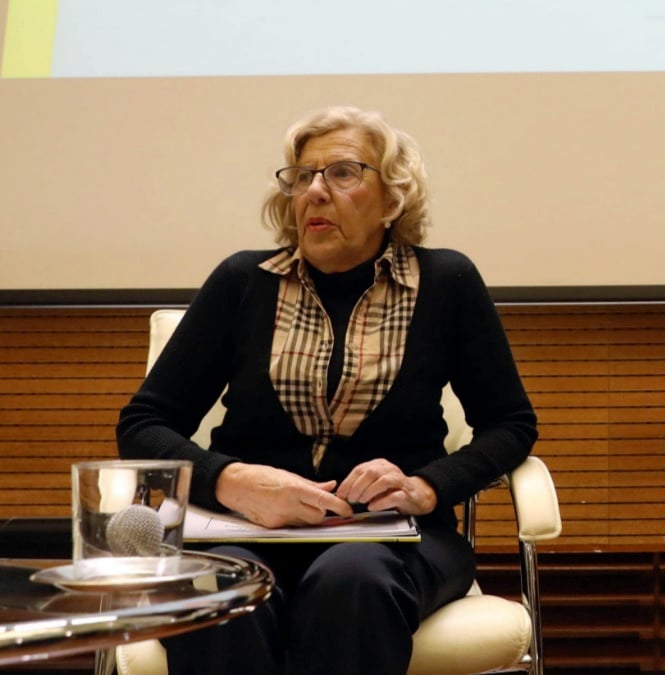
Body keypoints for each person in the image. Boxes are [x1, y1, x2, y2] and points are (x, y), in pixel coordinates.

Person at [116, 105, 537, 675]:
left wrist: (427, 487)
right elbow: (144, 422)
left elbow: (510, 424)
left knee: (352, 579)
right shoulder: (244, 282)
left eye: (342, 173)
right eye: (301, 176)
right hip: (244, 533)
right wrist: (229, 479)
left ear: (392, 200)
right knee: (219, 588)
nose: (314, 191)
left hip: (394, 542)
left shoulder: (446, 283)